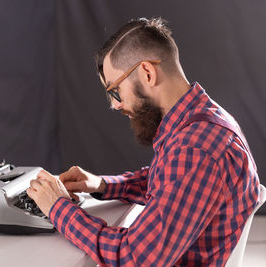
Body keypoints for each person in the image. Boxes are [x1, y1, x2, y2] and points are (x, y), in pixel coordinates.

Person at [26, 17, 260, 266]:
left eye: (114, 91)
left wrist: (58, 208)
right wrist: (102, 184)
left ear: (147, 73)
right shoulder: (202, 120)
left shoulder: (196, 148)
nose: (115, 104)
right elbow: (168, 178)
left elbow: (134, 258)